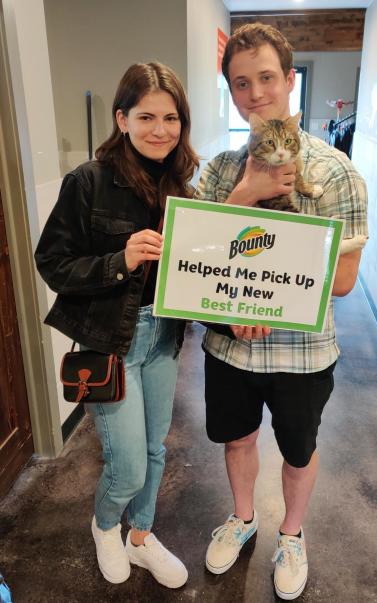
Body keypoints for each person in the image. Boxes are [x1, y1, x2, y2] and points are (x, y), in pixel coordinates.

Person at [194, 23, 367, 600]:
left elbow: (343, 281)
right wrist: (244, 196)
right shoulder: (218, 171)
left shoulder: (335, 172)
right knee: (237, 439)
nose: (256, 93)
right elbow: (194, 264)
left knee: (299, 449)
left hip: (303, 350)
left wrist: (268, 292)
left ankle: (291, 534)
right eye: (241, 83)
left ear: (289, 80)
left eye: (267, 77)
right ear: (233, 93)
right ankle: (243, 519)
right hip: (231, 347)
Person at [35, 62, 198, 589]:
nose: (160, 130)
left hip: (165, 338)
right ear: (121, 118)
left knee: (155, 449)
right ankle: (106, 526)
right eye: (146, 116)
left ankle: (141, 535)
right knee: (126, 464)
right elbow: (52, 262)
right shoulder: (88, 180)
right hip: (111, 342)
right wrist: (118, 261)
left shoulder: (183, 188)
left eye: (171, 118)